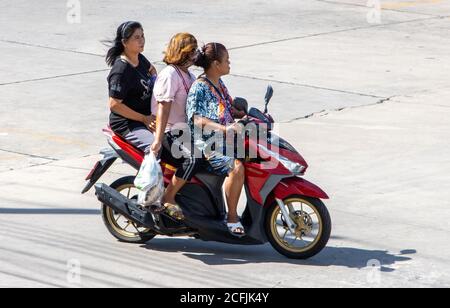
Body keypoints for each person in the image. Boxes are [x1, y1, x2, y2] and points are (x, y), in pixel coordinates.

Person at [187, 43, 246, 236]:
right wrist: (224, 128)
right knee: (236, 168)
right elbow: (197, 119)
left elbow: (229, 108)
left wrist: (246, 114)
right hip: (207, 146)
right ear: (215, 64)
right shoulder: (200, 87)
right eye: (226, 60)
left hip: (226, 140)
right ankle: (232, 217)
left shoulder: (219, 83)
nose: (229, 63)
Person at [150, 33, 202, 220]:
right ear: (183, 52)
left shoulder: (189, 75)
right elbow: (163, 109)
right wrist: (157, 140)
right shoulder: (170, 75)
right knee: (193, 158)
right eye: (192, 50)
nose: (196, 54)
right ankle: (168, 196)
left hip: (185, 132)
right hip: (169, 132)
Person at [106, 21, 157, 153]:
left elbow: (152, 69)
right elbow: (114, 105)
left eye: (142, 36)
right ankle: (148, 174)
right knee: (155, 148)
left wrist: (154, 81)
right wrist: (144, 119)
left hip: (147, 117)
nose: (142, 41)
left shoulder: (139, 57)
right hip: (128, 123)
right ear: (124, 42)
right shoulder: (121, 70)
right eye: (136, 37)